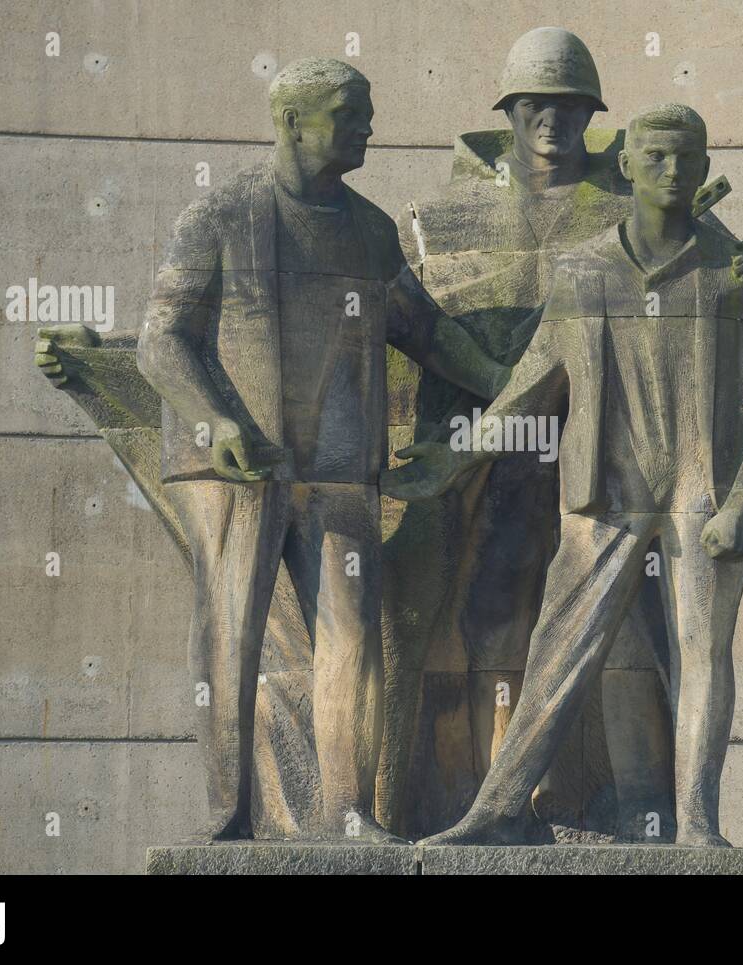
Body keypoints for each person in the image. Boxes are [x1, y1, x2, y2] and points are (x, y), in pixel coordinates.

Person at [383, 104, 743, 846]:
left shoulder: (737, 272)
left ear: (705, 168)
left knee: (703, 652)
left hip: (702, 498)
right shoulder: (586, 271)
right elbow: (528, 384)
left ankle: (700, 822)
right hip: (605, 494)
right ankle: (498, 808)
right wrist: (458, 456)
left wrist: (741, 502)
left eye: (688, 158)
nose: (674, 171)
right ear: (630, 167)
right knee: (557, 645)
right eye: (658, 157)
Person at [137, 57, 508, 841]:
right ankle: (227, 817)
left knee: (352, 641)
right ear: (292, 121)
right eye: (350, 112)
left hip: (339, 472)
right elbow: (160, 342)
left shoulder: (370, 232)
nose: (367, 126)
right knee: (229, 636)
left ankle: (344, 811)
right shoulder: (221, 215)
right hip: (234, 468)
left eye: (366, 111)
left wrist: (511, 382)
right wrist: (216, 421)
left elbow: (427, 331)